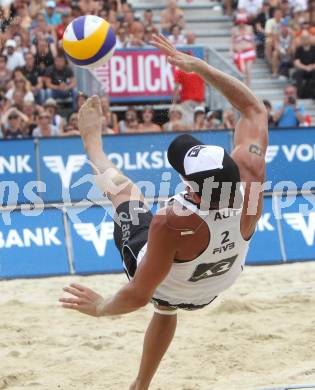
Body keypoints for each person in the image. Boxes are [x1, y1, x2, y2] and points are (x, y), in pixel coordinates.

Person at [60, 34, 268, 390]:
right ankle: (142, 382)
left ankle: (91, 144)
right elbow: (254, 109)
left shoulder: (172, 222)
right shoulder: (251, 178)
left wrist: (99, 307)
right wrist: (201, 68)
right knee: (169, 297)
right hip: (213, 288)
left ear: (191, 187)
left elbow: (138, 294)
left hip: (168, 283)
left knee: (127, 194)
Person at [231, 11, 256, 86]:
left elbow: (253, 41)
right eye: (240, 22)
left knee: (248, 70)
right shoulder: (234, 30)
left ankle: (248, 86)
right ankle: (242, 86)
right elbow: (232, 42)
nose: (241, 23)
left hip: (249, 51)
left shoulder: (250, 28)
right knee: (242, 70)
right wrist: (231, 51)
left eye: (243, 22)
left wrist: (255, 52)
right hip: (239, 53)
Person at [293, 30, 315, 98]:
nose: (305, 39)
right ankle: (300, 94)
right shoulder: (299, 49)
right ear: (301, 39)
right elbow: (296, 62)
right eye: (303, 38)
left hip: (313, 69)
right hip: (303, 69)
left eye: (306, 37)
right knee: (298, 73)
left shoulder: (314, 48)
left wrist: (311, 67)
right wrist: (306, 67)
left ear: (309, 38)